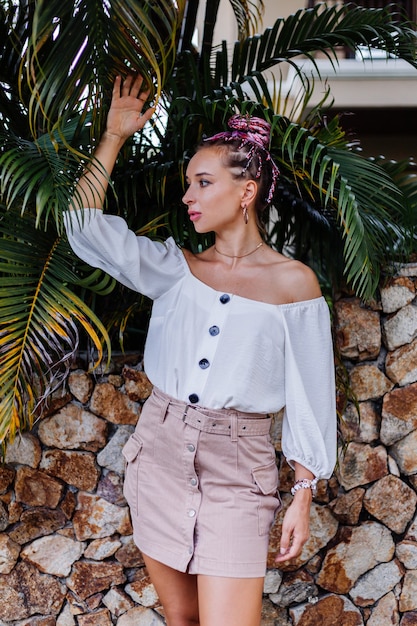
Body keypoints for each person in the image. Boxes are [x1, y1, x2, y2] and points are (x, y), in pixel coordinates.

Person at [64, 74, 336, 626]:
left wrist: (303, 492)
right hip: (160, 449)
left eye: (203, 182)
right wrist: (115, 135)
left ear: (247, 189)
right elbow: (83, 225)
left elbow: (312, 393)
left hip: (240, 466)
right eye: (188, 183)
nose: (187, 197)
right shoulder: (175, 270)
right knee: (183, 618)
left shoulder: (295, 285)